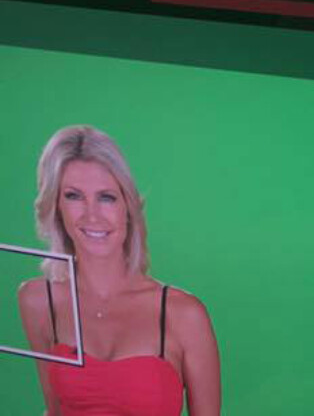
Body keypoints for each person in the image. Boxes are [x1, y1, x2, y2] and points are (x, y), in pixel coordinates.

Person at [15, 125, 221, 415]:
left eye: (106, 197)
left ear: (128, 207)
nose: (92, 215)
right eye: (73, 196)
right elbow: (54, 410)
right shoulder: (38, 301)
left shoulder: (184, 314)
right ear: (56, 206)